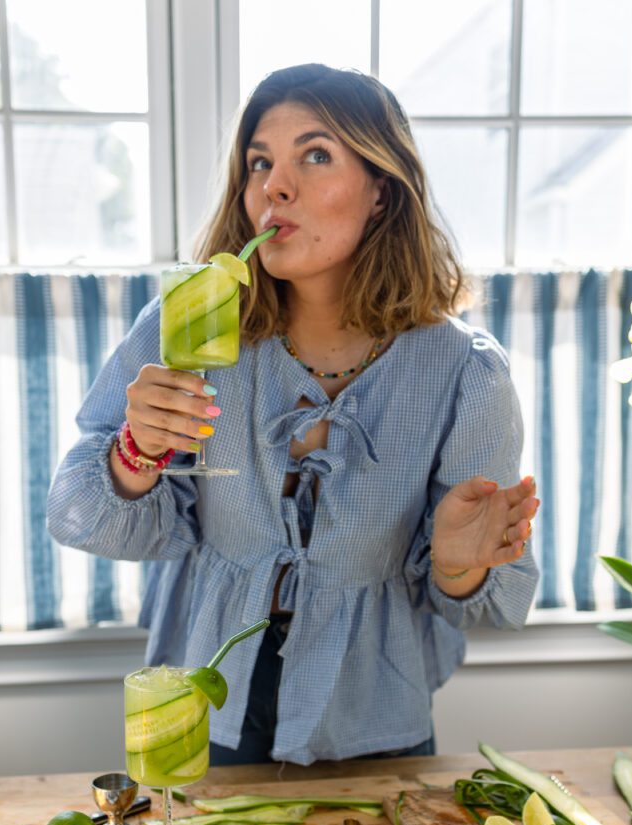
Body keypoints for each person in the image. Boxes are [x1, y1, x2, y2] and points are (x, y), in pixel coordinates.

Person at [47, 63, 540, 767]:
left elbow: (480, 604)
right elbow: (74, 512)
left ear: (381, 191)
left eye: (315, 155)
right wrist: (135, 455)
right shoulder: (188, 330)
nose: (273, 186)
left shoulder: (466, 372)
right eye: (259, 162)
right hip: (199, 713)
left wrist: (459, 565)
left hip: (374, 719)